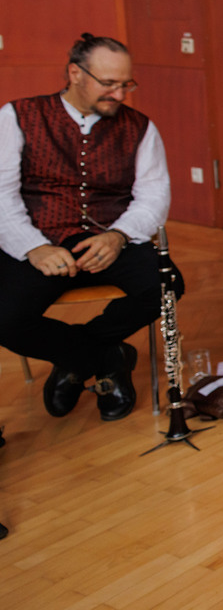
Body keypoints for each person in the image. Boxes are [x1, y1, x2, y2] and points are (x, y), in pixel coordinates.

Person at [0, 33, 173, 422]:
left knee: (165, 287)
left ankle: (74, 361)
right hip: (40, 239)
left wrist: (118, 236)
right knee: (5, 319)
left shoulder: (141, 127)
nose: (119, 94)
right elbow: (1, 194)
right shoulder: (17, 116)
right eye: (108, 83)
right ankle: (106, 358)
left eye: (126, 84)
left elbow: (154, 196)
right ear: (75, 73)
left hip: (111, 236)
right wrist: (33, 247)